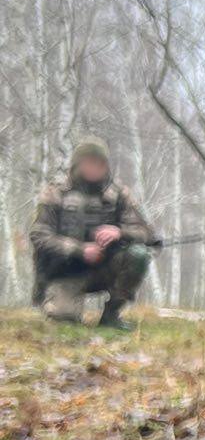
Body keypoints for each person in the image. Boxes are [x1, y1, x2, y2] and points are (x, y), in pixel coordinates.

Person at [29, 137, 153, 331]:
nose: (95, 167)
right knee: (64, 318)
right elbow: (39, 235)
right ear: (77, 164)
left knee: (138, 254)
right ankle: (55, 302)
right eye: (90, 161)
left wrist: (120, 232)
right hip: (64, 272)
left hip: (104, 269)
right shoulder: (56, 193)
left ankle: (111, 315)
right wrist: (79, 249)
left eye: (100, 162)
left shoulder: (119, 194)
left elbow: (146, 233)